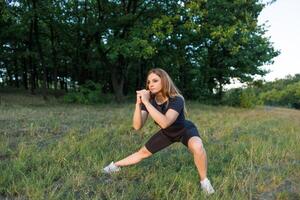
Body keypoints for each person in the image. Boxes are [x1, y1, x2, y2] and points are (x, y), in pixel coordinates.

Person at [103, 68, 215, 194]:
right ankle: (115, 166)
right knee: (142, 153)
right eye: (149, 82)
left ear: (164, 81)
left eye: (155, 80)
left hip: (184, 130)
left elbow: (165, 122)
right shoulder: (149, 101)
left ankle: (204, 181)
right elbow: (137, 126)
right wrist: (138, 104)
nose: (150, 84)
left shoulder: (177, 99)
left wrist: (146, 102)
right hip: (167, 134)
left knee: (198, 146)